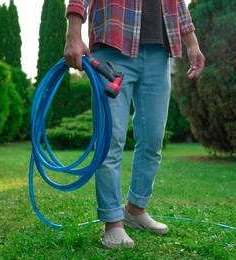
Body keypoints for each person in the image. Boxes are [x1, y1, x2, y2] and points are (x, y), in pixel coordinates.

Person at [64, 0, 205, 249]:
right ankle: (112, 223)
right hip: (112, 48)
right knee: (111, 140)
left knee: (153, 140)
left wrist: (192, 43)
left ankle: (135, 209)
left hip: (158, 53)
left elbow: (178, 5)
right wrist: (73, 34)